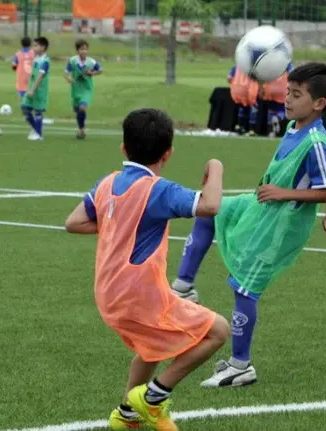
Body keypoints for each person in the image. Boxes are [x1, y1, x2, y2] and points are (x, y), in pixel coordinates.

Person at [171, 63, 326, 389]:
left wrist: (287, 193)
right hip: (261, 206)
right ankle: (184, 285)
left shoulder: (317, 142)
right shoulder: (295, 126)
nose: (287, 99)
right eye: (288, 92)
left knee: (245, 286)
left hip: (281, 224)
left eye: (296, 94)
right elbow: (324, 182)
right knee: (210, 208)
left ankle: (240, 366)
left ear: (319, 103)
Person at [65, 108, 229, 430]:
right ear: (168, 153)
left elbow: (73, 223)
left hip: (108, 293)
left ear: (123, 148)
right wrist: (216, 167)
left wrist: (117, 227)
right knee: (218, 331)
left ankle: (126, 416)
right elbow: (210, 206)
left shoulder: (107, 182)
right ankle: (153, 397)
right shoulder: (159, 190)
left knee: (150, 347)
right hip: (138, 294)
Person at [64, 39, 102, 139]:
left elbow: (100, 70)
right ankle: (81, 130)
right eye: (81, 49)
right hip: (76, 89)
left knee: (82, 107)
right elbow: (66, 73)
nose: (84, 51)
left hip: (87, 89)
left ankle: (82, 129)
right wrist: (69, 79)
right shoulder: (72, 60)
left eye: (85, 49)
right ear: (77, 51)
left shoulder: (91, 62)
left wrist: (92, 73)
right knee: (78, 111)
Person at [22, 37, 50, 141]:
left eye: (36, 45)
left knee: (38, 111)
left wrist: (33, 89)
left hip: (40, 90)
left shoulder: (46, 61)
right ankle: (36, 129)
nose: (33, 48)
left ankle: (38, 134)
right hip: (31, 88)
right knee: (25, 108)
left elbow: (40, 76)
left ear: (43, 47)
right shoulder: (35, 59)